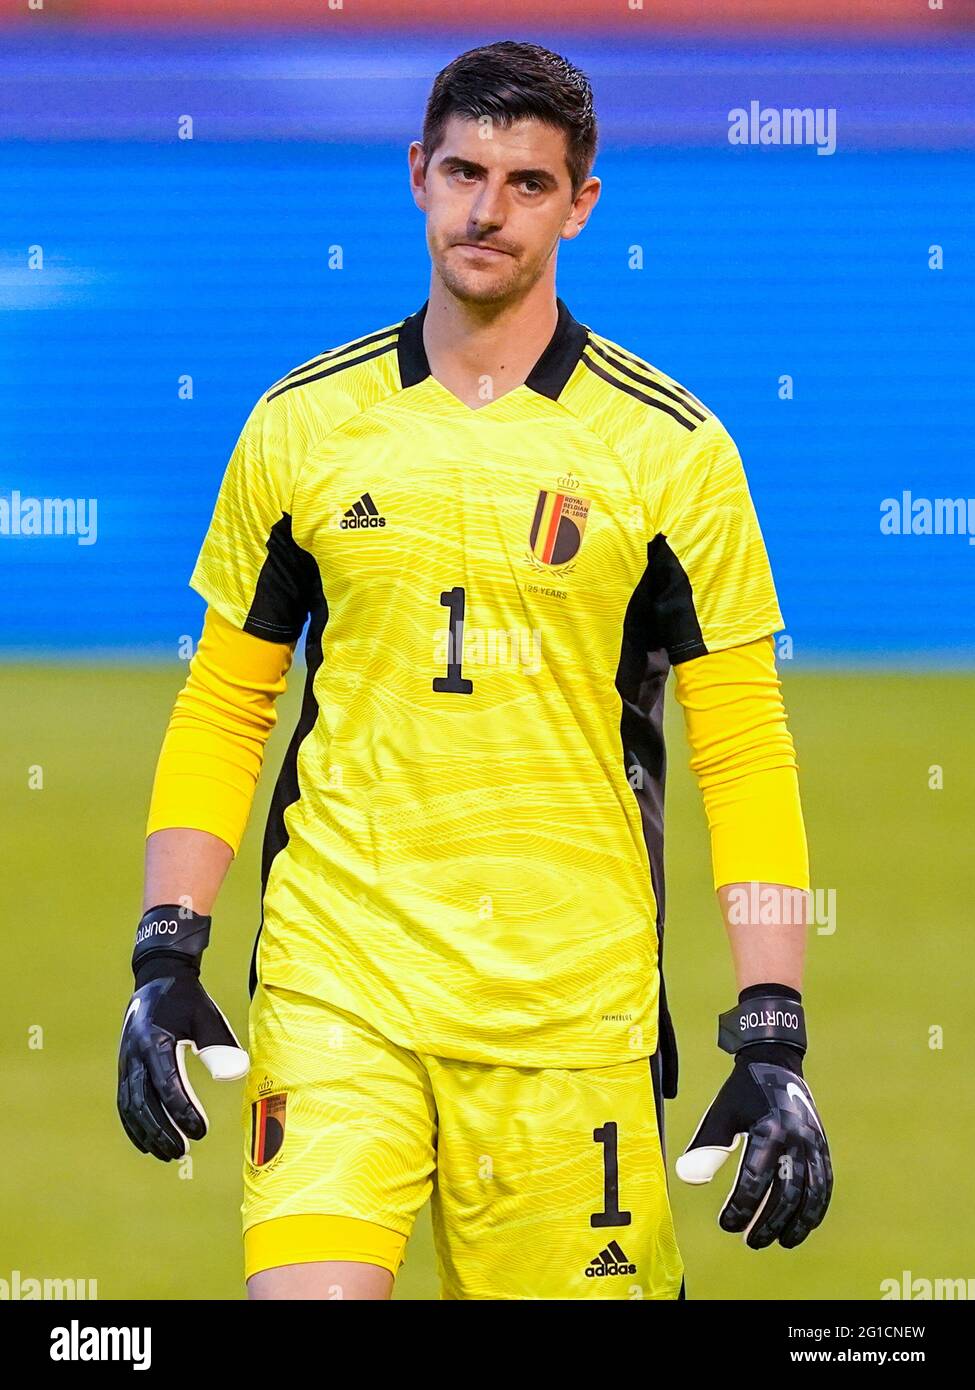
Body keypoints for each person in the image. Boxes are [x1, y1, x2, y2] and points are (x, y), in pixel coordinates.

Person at [117, 39, 831, 1301]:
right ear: (416, 175)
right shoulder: (301, 424)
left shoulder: (674, 455)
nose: (487, 209)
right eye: (462, 172)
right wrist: (166, 955)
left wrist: (770, 1024)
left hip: (569, 1017)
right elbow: (227, 701)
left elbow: (743, 748)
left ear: (581, 204)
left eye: (526, 182)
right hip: (341, 982)